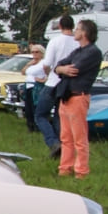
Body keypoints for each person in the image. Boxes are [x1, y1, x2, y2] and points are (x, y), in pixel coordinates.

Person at [53, 19, 102, 178]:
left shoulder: (93, 52)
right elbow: (59, 65)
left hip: (78, 97)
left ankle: (81, 171)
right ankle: (65, 168)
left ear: (85, 33)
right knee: (65, 137)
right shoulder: (77, 51)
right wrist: (61, 69)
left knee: (79, 137)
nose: (75, 31)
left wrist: (63, 69)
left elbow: (75, 69)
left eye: (78, 29)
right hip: (66, 97)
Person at [33, 15, 77, 158]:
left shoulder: (55, 41)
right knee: (60, 116)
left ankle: (53, 142)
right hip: (68, 85)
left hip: (53, 82)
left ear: (59, 26)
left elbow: (47, 63)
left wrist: (47, 74)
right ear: (73, 26)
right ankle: (62, 146)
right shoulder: (77, 43)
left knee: (40, 115)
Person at [19, 44, 46, 132]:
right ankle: (30, 126)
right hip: (28, 86)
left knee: (36, 107)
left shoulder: (44, 63)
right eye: (33, 52)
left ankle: (38, 126)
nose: (34, 54)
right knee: (28, 108)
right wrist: (28, 64)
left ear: (42, 53)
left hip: (37, 87)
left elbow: (49, 73)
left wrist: (43, 80)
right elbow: (23, 72)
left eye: (36, 52)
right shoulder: (32, 62)